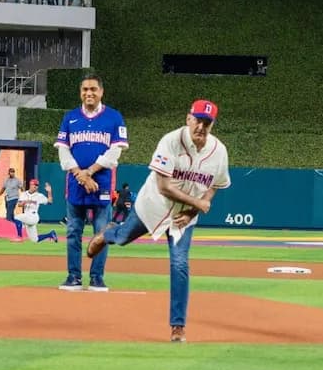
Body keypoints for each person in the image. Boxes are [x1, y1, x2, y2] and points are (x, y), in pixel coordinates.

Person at [88, 100, 230, 343]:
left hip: (182, 219)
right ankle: (107, 233)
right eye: (198, 120)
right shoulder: (170, 142)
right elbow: (164, 187)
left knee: (180, 264)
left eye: (207, 123)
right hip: (152, 206)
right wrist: (198, 205)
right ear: (188, 119)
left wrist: (192, 213)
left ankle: (178, 326)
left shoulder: (219, 151)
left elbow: (215, 186)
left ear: (213, 124)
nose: (201, 127)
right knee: (122, 238)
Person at [54, 73, 128, 292]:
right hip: (76, 185)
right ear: (80, 92)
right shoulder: (70, 117)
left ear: (101, 92)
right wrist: (81, 175)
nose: (89, 93)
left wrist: (89, 172)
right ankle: (73, 277)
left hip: (102, 184)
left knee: (102, 234)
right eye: (85, 89)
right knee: (73, 232)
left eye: (93, 89)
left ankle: (97, 278)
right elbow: (63, 152)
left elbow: (114, 153)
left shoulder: (114, 117)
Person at [0, 167, 25, 237]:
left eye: (13, 172)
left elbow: (22, 189)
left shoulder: (17, 180)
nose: (12, 173)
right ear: (9, 173)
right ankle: (19, 225)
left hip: (14, 198)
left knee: (8, 215)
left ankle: (7, 231)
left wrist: (24, 196)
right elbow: (3, 189)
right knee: (11, 216)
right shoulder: (6, 180)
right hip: (7, 198)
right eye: (11, 172)